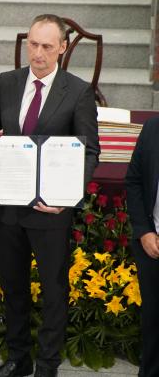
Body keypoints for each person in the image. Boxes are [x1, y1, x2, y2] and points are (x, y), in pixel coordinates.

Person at [0, 14, 100, 377]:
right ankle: (18, 358)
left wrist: (69, 196)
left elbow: (90, 152)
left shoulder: (78, 92)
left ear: (63, 48)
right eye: (32, 44)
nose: (38, 53)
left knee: (53, 291)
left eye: (46, 46)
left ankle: (46, 365)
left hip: (51, 210)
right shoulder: (8, 82)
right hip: (10, 205)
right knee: (13, 287)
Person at [125, 117, 159, 377]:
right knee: (153, 319)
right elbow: (134, 181)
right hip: (152, 244)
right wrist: (144, 230)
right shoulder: (152, 128)